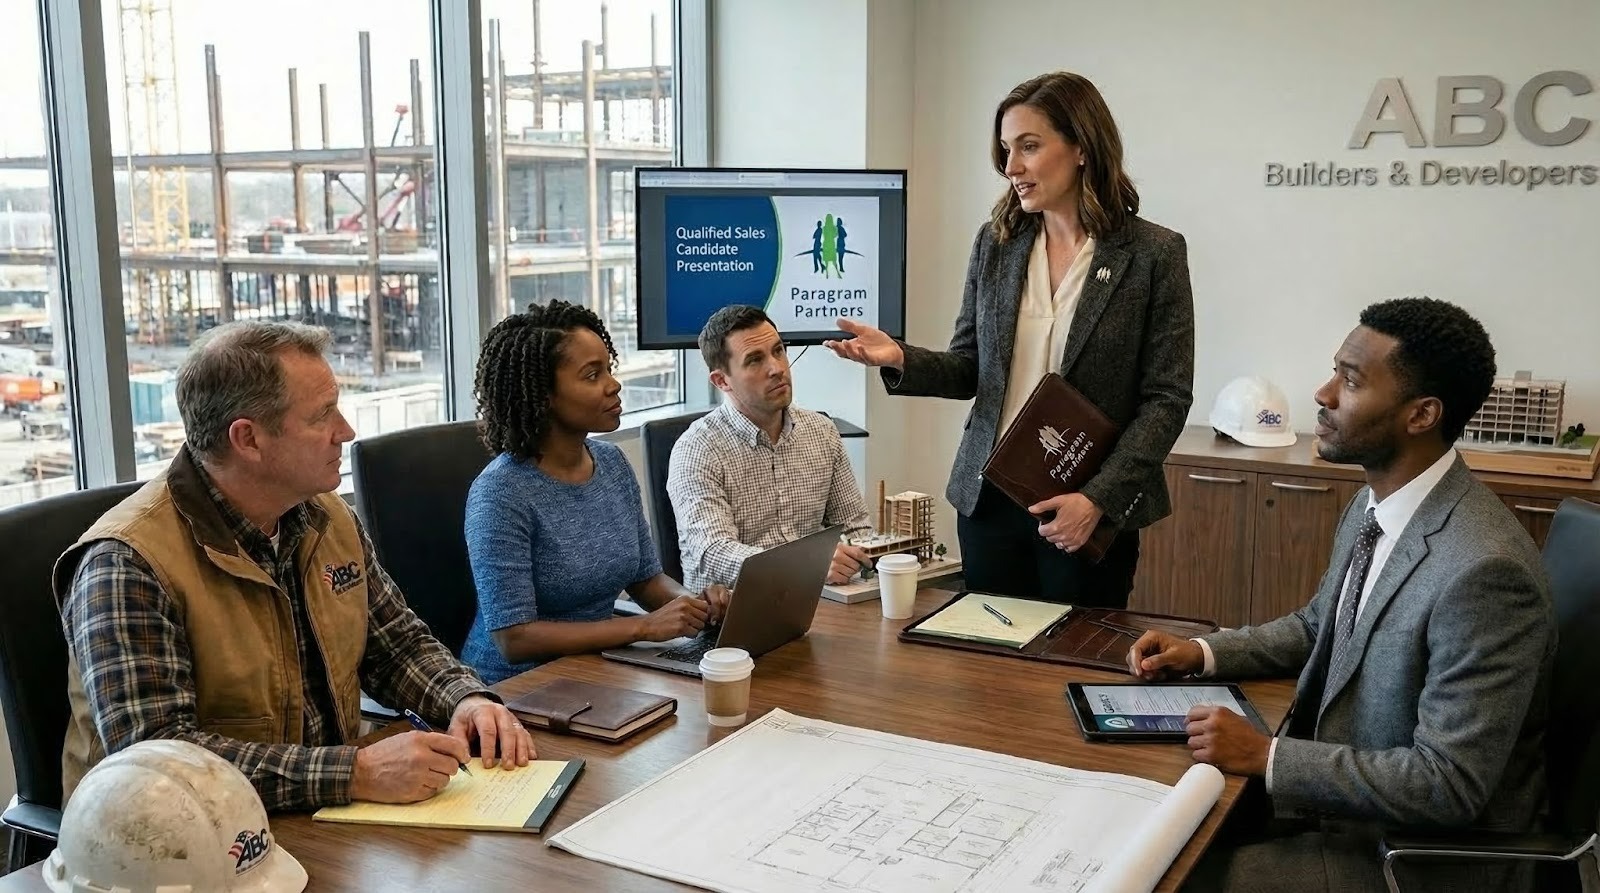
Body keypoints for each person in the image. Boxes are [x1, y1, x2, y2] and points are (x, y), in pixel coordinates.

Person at [1129, 298, 1555, 892]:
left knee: (1177, 876)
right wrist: (1201, 652)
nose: (1324, 394)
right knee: (1143, 817)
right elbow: (1318, 626)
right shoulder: (1374, 505)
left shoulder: (1484, 572)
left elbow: (1449, 782)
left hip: (1414, 858)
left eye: (1350, 380)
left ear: (1422, 414)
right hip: (1341, 810)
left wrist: (1268, 758)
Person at [57, 321, 533, 813]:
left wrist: (466, 700)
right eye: (323, 415)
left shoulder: (326, 517)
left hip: (316, 820)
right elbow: (158, 764)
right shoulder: (126, 564)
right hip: (172, 855)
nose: (345, 432)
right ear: (248, 439)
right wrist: (356, 773)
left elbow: (397, 647)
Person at [823, 70, 1194, 608]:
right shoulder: (997, 243)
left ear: (1082, 147)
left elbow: (1166, 399)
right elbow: (971, 367)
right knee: (989, 671)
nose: (1011, 167)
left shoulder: (1153, 254)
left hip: (1084, 506)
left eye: (1029, 146)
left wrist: (1097, 500)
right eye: (1005, 149)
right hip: (990, 502)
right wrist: (899, 356)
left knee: (1068, 668)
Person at [463, 300, 730, 685]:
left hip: (597, 668)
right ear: (542, 396)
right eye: (592, 375)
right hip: (517, 688)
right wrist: (642, 628)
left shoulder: (611, 463)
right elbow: (513, 637)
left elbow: (644, 580)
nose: (613, 384)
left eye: (609, 368)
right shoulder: (500, 493)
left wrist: (693, 606)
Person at [668, 304, 874, 592]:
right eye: (754, 360)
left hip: (818, 602)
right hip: (731, 617)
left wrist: (863, 560)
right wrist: (806, 564)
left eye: (778, 351)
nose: (776, 369)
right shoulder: (697, 450)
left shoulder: (822, 431)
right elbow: (713, 553)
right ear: (721, 380)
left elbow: (855, 528)